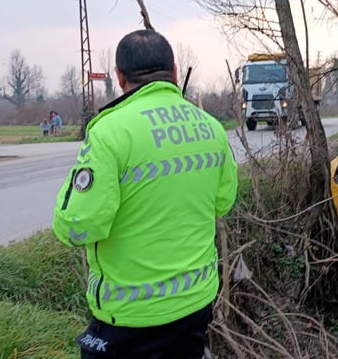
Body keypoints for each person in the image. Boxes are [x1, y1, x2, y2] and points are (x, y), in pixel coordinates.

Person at [52, 29, 238, 358]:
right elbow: (223, 202)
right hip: (195, 302)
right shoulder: (211, 128)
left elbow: (77, 225)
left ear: (120, 77)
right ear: (175, 72)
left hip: (129, 314)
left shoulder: (109, 131)